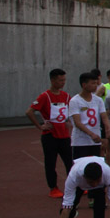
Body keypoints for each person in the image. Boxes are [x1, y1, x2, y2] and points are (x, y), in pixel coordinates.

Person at [26, 68, 72, 198]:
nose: (63, 82)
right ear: (52, 80)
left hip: (64, 135)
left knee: (70, 162)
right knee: (51, 163)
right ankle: (53, 188)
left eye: (64, 80)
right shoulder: (44, 96)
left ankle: (74, 186)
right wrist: (40, 126)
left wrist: (69, 122)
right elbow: (29, 111)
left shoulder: (66, 96)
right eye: (60, 80)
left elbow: (71, 111)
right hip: (50, 136)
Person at [69, 71, 110, 160]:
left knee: (95, 164)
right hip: (80, 141)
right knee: (81, 165)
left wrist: (108, 127)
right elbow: (77, 122)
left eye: (96, 83)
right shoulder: (75, 101)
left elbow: (104, 116)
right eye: (93, 83)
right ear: (84, 85)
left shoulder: (98, 100)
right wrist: (91, 134)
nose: (95, 86)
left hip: (95, 141)